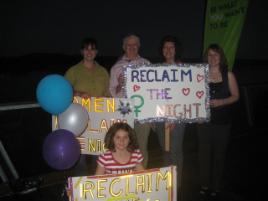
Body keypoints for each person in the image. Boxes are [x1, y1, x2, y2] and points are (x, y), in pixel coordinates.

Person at [197, 44, 239, 200]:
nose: (213, 57)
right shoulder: (200, 75)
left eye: (216, 54)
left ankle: (215, 186)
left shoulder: (229, 75)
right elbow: (194, 98)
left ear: (221, 57)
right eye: (209, 55)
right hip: (204, 121)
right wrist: (197, 115)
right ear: (206, 58)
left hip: (222, 122)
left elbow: (236, 96)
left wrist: (221, 102)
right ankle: (204, 185)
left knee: (219, 155)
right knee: (204, 154)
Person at [64, 37, 110, 176]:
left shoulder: (103, 71)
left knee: (100, 158)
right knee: (80, 159)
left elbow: (108, 93)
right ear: (82, 51)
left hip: (99, 121)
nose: (89, 52)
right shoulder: (73, 71)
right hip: (79, 121)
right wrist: (77, 93)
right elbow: (64, 91)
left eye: (92, 49)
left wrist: (107, 98)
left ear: (96, 52)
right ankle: (81, 193)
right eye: (86, 49)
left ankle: (98, 191)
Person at [109, 34, 151, 168]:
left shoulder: (146, 64)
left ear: (139, 47)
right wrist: (120, 85)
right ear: (123, 47)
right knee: (124, 145)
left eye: (135, 45)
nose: (132, 48)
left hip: (143, 111)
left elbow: (153, 89)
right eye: (129, 45)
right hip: (123, 110)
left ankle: (142, 176)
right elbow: (112, 92)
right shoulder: (116, 67)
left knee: (141, 146)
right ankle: (126, 176)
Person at [153, 35, 186, 199]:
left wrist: (174, 118)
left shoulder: (183, 69)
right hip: (159, 118)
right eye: (165, 47)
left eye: (171, 47)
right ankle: (167, 184)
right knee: (165, 151)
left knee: (176, 152)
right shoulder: (155, 69)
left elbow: (185, 96)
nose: (168, 50)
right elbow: (151, 95)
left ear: (175, 50)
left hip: (178, 119)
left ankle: (177, 187)